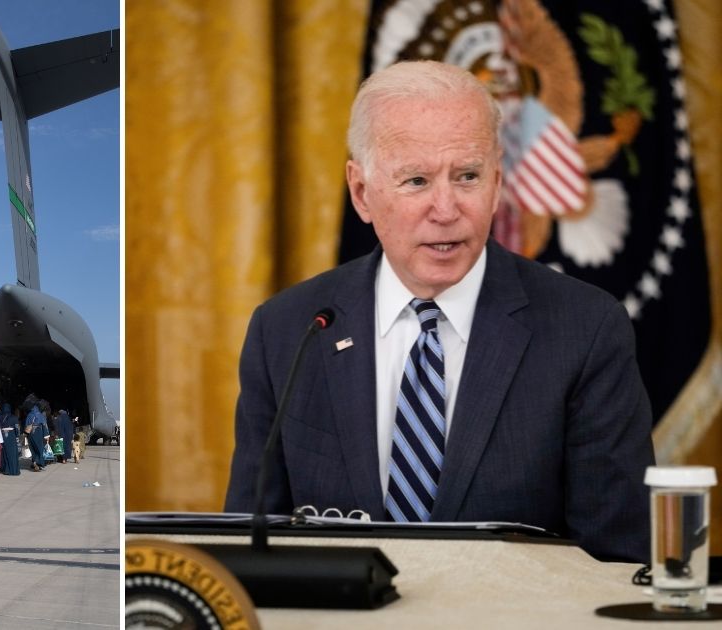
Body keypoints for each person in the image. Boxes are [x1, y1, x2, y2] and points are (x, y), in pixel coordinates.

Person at [223, 60, 654, 563]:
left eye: (467, 176)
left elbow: (618, 560)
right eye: (417, 181)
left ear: (497, 182)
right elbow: (248, 551)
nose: (446, 210)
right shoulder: (286, 331)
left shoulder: (585, 328)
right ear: (362, 192)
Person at [0, 403, 20, 476]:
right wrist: (17, 435)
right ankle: (13, 470)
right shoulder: (14, 418)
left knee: (4, 453)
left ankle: (6, 470)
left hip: (3, 436)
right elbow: (17, 429)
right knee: (12, 454)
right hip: (11, 437)